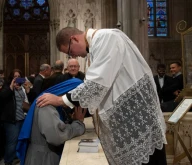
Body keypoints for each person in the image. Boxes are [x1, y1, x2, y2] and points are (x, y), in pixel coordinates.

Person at [36, 27, 167, 165]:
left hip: (139, 119)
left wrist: (60, 100)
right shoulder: (95, 48)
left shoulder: (106, 38)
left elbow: (95, 84)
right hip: (130, 120)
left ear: (74, 39)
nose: (73, 56)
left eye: (69, 52)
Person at [16, 78, 86, 165]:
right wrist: (78, 123)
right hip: (43, 158)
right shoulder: (45, 105)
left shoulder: (55, 105)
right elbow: (56, 137)